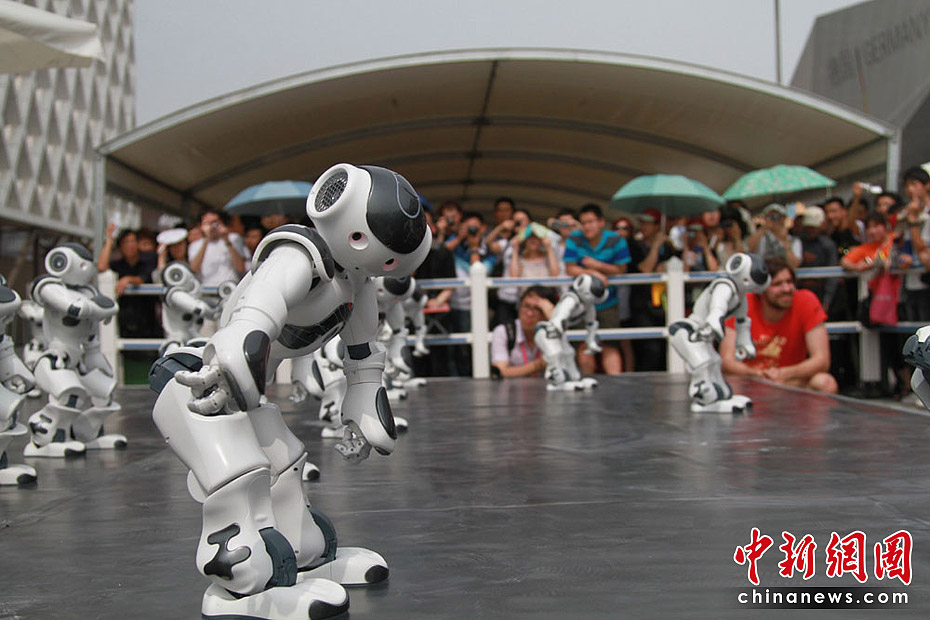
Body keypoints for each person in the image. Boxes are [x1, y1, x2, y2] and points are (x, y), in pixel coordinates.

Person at [720, 257, 838, 394]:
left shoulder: (806, 300)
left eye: (789, 282)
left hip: (790, 381)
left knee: (825, 382)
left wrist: (783, 374)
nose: (786, 289)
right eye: (777, 284)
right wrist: (757, 374)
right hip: (750, 381)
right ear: (761, 289)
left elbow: (822, 360)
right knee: (730, 384)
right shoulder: (741, 305)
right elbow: (727, 361)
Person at [563, 203, 630, 374]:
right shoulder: (574, 238)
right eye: (583, 223)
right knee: (583, 346)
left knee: (610, 345)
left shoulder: (616, 240)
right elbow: (570, 268)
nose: (587, 227)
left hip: (608, 302)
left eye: (591, 222)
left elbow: (621, 269)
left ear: (601, 222)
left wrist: (597, 265)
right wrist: (593, 273)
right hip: (581, 302)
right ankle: (587, 382)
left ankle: (616, 384)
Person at [96, 224, 161, 338]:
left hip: (148, 321)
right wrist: (109, 240)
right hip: (125, 321)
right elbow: (101, 267)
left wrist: (128, 280)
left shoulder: (150, 258)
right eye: (126, 242)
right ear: (120, 247)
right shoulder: (118, 265)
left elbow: (144, 278)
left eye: (133, 241)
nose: (131, 245)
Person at [490, 286, 557, 378]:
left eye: (537, 309)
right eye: (526, 306)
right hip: (512, 387)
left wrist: (553, 318)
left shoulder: (553, 331)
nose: (529, 314)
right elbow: (500, 372)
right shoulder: (504, 331)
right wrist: (539, 364)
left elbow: (565, 365)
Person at [899, 167, 930, 322]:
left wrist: (912, 219)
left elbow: (922, 249)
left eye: (914, 184)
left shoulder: (916, 215)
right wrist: (902, 259)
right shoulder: (905, 214)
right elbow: (902, 247)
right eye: (907, 186)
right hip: (911, 284)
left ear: (927, 185)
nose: (910, 190)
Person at [187, 209, 247, 287]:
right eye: (207, 223)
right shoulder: (195, 245)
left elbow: (241, 268)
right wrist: (206, 239)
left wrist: (227, 240)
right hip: (208, 288)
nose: (212, 226)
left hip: (230, 286)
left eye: (215, 222)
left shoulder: (233, 238)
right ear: (201, 226)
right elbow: (194, 269)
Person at [796, 206, 839, 310]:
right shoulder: (797, 243)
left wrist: (827, 299)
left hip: (820, 291)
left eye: (814, 227)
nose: (811, 230)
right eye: (809, 227)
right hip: (801, 290)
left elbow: (832, 274)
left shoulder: (828, 245)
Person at [747, 203, 802, 269]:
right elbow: (748, 248)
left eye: (777, 216)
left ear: (783, 218)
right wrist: (764, 228)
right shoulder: (761, 237)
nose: (773, 219)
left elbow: (794, 265)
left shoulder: (793, 240)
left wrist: (785, 241)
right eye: (770, 216)